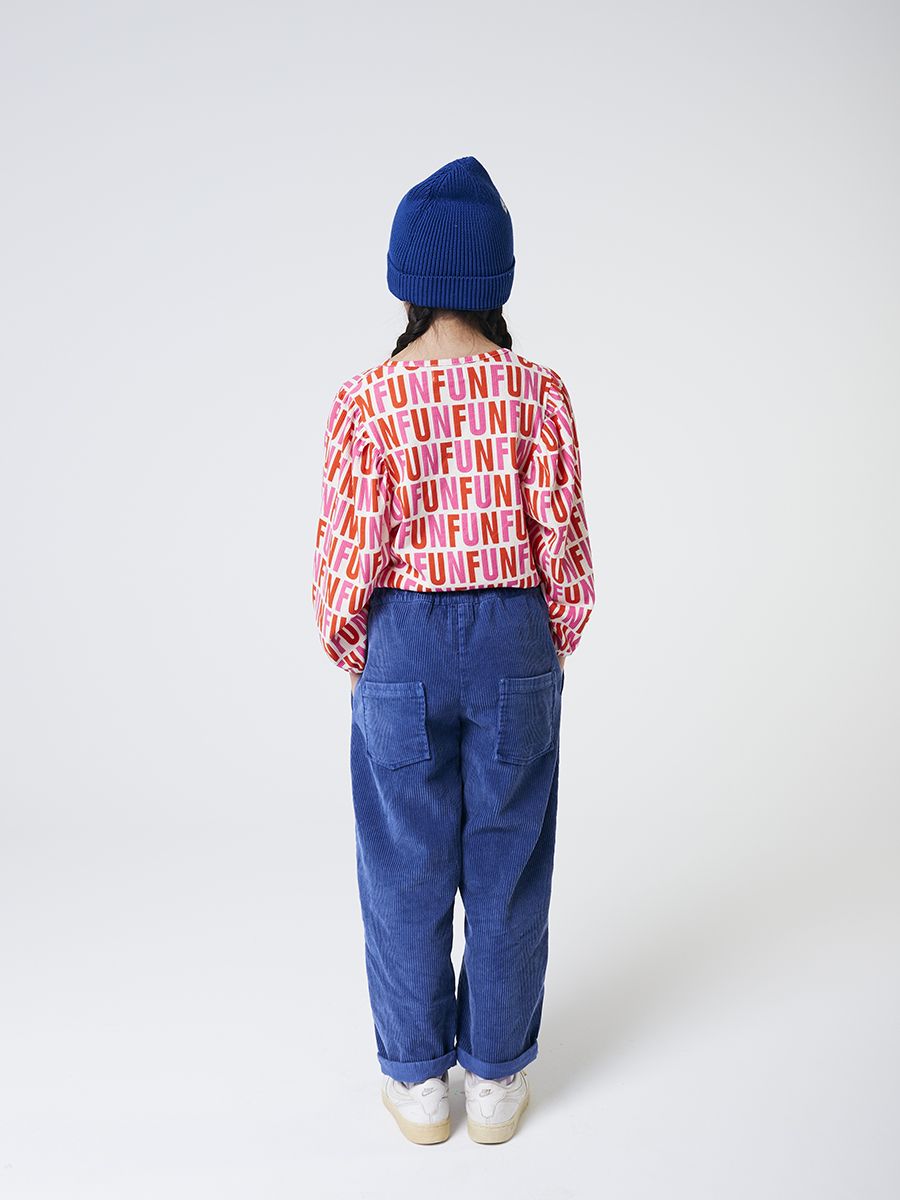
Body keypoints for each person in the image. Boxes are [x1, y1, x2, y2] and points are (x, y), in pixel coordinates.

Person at [311, 155, 596, 1145]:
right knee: (509, 864)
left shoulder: (368, 400)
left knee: (403, 866)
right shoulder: (539, 394)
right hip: (515, 640)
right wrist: (553, 636)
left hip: (402, 643)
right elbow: (564, 542)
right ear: (497, 279)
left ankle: (419, 1083)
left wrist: (354, 646)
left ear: (405, 281)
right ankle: (498, 1078)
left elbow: (346, 552)